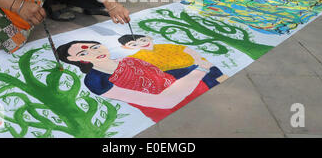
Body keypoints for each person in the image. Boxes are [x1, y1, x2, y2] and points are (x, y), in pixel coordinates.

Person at [56, 40, 224, 122]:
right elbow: (164, 101)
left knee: (216, 71)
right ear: (76, 60)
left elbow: (161, 75)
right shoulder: (95, 80)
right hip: (173, 108)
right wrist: (200, 70)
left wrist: (199, 67)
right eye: (83, 54)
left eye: (94, 47)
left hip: (190, 85)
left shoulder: (127, 60)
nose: (93, 52)